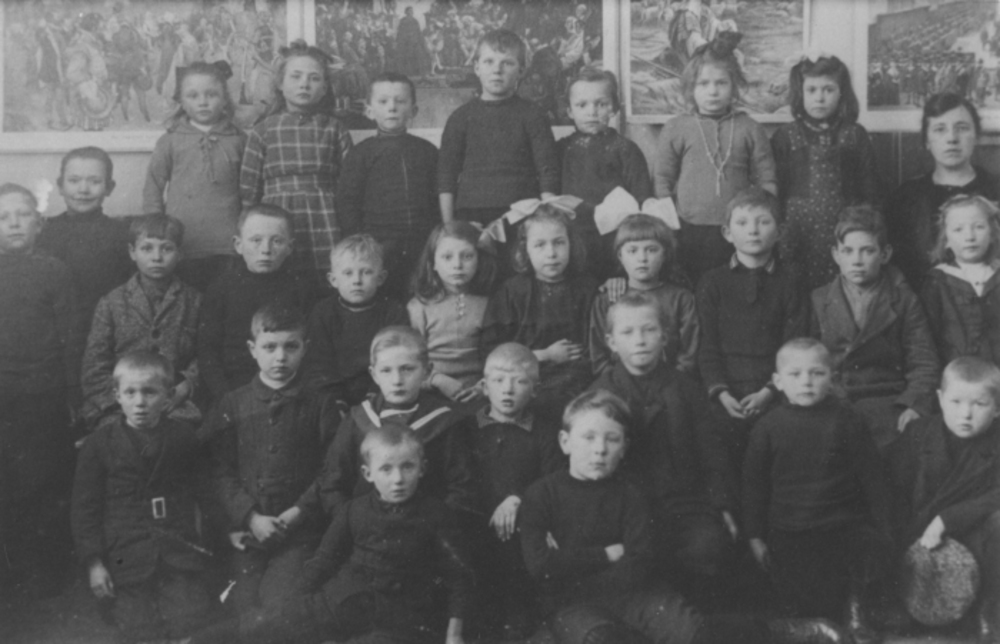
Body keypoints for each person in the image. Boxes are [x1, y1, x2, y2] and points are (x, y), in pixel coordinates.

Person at [519, 389, 771, 644]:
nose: (600, 449)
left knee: (694, 634)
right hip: (573, 603)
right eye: (588, 437)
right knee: (601, 639)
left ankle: (753, 630)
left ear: (625, 447)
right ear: (565, 442)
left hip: (637, 595)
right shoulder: (541, 495)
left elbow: (640, 560)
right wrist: (606, 554)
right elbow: (540, 566)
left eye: (612, 439)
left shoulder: (632, 493)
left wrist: (569, 561)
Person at [190, 425, 474, 644]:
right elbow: (323, 561)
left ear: (422, 469)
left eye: (407, 467)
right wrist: (294, 607)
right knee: (265, 624)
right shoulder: (354, 510)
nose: (398, 479)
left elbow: (458, 578)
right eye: (386, 469)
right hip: (342, 601)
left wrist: (454, 634)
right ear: (368, 473)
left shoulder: (438, 515)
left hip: (398, 620)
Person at [743, 339, 892, 643]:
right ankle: (802, 621)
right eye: (795, 374)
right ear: (778, 382)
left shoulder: (847, 419)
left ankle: (856, 612)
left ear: (832, 378)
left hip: (840, 524)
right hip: (791, 529)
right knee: (792, 584)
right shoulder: (768, 427)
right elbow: (754, 486)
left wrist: (884, 527)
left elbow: (872, 477)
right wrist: (755, 536)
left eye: (816, 373)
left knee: (868, 549)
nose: (806, 382)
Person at [203, 303, 338, 616]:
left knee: (280, 608)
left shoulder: (321, 403)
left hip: (300, 532)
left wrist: (297, 513)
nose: (280, 357)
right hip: (248, 532)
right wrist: (249, 517)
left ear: (305, 348)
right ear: (253, 349)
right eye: (269, 347)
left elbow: (332, 470)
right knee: (240, 606)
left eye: (291, 347)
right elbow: (218, 470)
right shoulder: (233, 403)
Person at [71, 351, 214, 643]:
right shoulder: (99, 445)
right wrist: (95, 564)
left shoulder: (183, 438)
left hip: (177, 553)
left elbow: (207, 492)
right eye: (130, 392)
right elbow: (85, 509)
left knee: (193, 625)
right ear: (117, 396)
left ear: (168, 396)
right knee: (140, 631)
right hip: (126, 559)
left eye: (150, 392)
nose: (139, 402)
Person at [0, 184, 79, 607]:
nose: (13, 223)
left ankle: (47, 569)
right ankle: (13, 570)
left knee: (44, 482)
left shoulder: (54, 270)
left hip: (43, 394)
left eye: (22, 215)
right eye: (3, 217)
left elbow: (71, 336)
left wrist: (71, 394)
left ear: (40, 223)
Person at [887, 357, 1000, 641]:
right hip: (917, 536)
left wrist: (948, 519)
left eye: (979, 404)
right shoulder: (918, 434)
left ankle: (990, 612)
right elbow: (892, 490)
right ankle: (896, 605)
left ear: (997, 408)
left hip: (974, 536)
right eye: (956, 402)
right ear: (940, 399)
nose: (965, 414)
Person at [697, 188, 808, 475]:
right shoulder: (712, 282)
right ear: (727, 233)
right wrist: (722, 394)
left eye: (763, 221)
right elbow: (707, 346)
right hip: (726, 393)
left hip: (774, 390)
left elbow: (794, 346)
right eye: (743, 222)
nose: (753, 230)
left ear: (779, 231)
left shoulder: (791, 281)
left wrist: (768, 392)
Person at [811, 206, 939, 450]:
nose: (857, 260)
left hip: (888, 401)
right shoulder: (819, 299)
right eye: (848, 251)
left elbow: (923, 361)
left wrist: (913, 405)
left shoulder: (904, 300)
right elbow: (807, 360)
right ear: (836, 255)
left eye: (867, 251)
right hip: (836, 399)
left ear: (885, 254)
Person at [654, 34, 777, 284]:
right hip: (687, 229)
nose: (712, 91)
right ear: (691, 88)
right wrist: (669, 226)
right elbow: (662, 179)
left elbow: (767, 180)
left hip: (739, 232)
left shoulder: (750, 128)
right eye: (703, 83)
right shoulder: (677, 127)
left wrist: (763, 223)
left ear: (734, 85)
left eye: (721, 83)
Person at [318, 326, 476, 519]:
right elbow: (332, 484)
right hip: (366, 528)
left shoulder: (446, 421)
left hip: (427, 527)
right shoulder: (358, 419)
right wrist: (353, 522)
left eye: (407, 369)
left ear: (427, 371)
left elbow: (462, 489)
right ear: (374, 374)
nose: (397, 380)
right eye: (386, 370)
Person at [467, 343, 563, 638]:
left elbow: (553, 479)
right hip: (477, 517)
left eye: (520, 381)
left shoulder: (544, 432)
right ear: (485, 387)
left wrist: (518, 498)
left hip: (523, 521)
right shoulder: (467, 428)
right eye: (498, 380)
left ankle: (519, 615)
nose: (507, 390)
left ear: (535, 390)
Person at [240, 40, 353, 274]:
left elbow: (349, 183)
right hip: (276, 217)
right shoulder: (263, 130)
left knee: (324, 274)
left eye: (314, 78)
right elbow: (249, 189)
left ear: (325, 88)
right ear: (280, 83)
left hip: (325, 216)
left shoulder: (335, 128)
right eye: (296, 76)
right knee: (281, 276)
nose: (304, 84)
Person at [81, 214, 201, 429]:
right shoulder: (112, 303)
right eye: (147, 248)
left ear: (180, 253)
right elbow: (94, 366)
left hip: (174, 403)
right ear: (132, 252)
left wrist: (186, 386)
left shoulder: (195, 301)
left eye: (167, 249)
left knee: (181, 435)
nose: (157, 257)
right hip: (119, 406)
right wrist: (122, 403)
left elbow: (204, 356)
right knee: (116, 436)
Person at [772, 54, 881, 291]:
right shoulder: (785, 136)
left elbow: (870, 190)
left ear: (841, 93)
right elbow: (777, 190)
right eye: (811, 90)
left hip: (844, 232)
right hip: (798, 233)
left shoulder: (855, 135)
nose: (819, 97)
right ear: (801, 93)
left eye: (828, 89)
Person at [481, 206, 598, 420]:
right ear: (526, 250)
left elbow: (597, 347)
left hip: (576, 381)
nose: (551, 253)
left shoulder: (587, 289)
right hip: (523, 382)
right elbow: (493, 351)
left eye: (559, 242)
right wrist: (545, 355)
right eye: (540, 245)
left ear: (571, 244)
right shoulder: (513, 291)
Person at [438, 29, 560, 227]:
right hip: (471, 215)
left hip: (523, 214)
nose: (497, 70)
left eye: (507, 63)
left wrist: (547, 222)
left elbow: (547, 171)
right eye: (489, 61)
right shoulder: (460, 118)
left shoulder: (533, 115)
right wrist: (449, 226)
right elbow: (446, 175)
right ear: (476, 67)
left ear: (521, 70)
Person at [197, 204, 319, 403]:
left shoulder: (302, 289)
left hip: (288, 389)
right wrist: (226, 398)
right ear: (238, 245)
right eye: (256, 240)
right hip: (232, 389)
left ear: (290, 247)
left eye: (277, 241)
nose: (266, 250)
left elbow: (312, 351)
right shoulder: (221, 289)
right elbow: (208, 351)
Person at [143, 61, 246, 292]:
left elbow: (251, 188)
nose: (203, 101)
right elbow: (153, 186)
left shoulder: (239, 139)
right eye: (193, 95)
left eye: (212, 94)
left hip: (229, 243)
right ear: (181, 100)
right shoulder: (170, 140)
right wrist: (155, 229)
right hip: (183, 242)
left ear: (225, 99)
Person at [337, 72, 440, 300]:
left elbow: (438, 197)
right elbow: (348, 202)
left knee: (421, 296)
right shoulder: (361, 153)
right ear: (369, 110)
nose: (392, 108)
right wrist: (361, 245)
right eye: (383, 101)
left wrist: (436, 238)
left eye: (400, 101)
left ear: (413, 110)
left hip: (423, 243)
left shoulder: (427, 151)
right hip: (378, 245)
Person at [38, 146, 133, 385]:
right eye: (74, 180)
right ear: (60, 186)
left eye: (94, 181)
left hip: (105, 333)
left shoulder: (122, 235)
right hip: (56, 336)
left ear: (109, 187)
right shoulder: (44, 233)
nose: (83, 189)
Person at [886, 93, 1000, 289]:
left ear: (976, 136)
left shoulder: (995, 190)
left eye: (962, 128)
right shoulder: (905, 198)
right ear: (926, 141)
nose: (952, 138)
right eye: (940, 129)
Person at [558, 67, 652, 280]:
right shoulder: (561, 150)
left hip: (613, 238)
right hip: (572, 238)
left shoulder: (626, 149)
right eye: (582, 105)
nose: (592, 112)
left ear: (614, 108)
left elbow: (641, 200)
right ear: (569, 111)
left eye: (601, 104)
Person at [301, 234, 408, 410]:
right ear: (333, 280)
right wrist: (336, 401)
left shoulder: (392, 312)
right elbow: (319, 363)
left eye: (366, 272)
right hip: (334, 394)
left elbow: (395, 358)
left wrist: (374, 397)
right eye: (348, 273)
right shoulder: (323, 312)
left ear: (381, 278)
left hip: (380, 391)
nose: (357, 281)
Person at [589, 214, 698, 376]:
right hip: (618, 383)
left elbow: (688, 354)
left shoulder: (681, 298)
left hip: (672, 382)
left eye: (651, 250)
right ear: (620, 256)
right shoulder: (608, 299)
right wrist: (618, 382)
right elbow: (598, 356)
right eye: (632, 251)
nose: (642, 258)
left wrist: (672, 381)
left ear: (665, 254)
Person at [409, 222, 498, 402]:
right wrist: (437, 380)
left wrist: (483, 387)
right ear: (433, 263)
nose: (457, 265)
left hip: (478, 392)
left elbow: (496, 356)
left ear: (479, 260)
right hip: (431, 392)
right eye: (447, 257)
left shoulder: (489, 304)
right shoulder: (418, 307)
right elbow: (409, 361)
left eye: (467, 256)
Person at [921, 194, 1000, 367]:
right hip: (958, 373)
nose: (970, 236)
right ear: (946, 240)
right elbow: (928, 339)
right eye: (958, 229)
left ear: (993, 233)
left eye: (979, 227)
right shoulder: (938, 281)